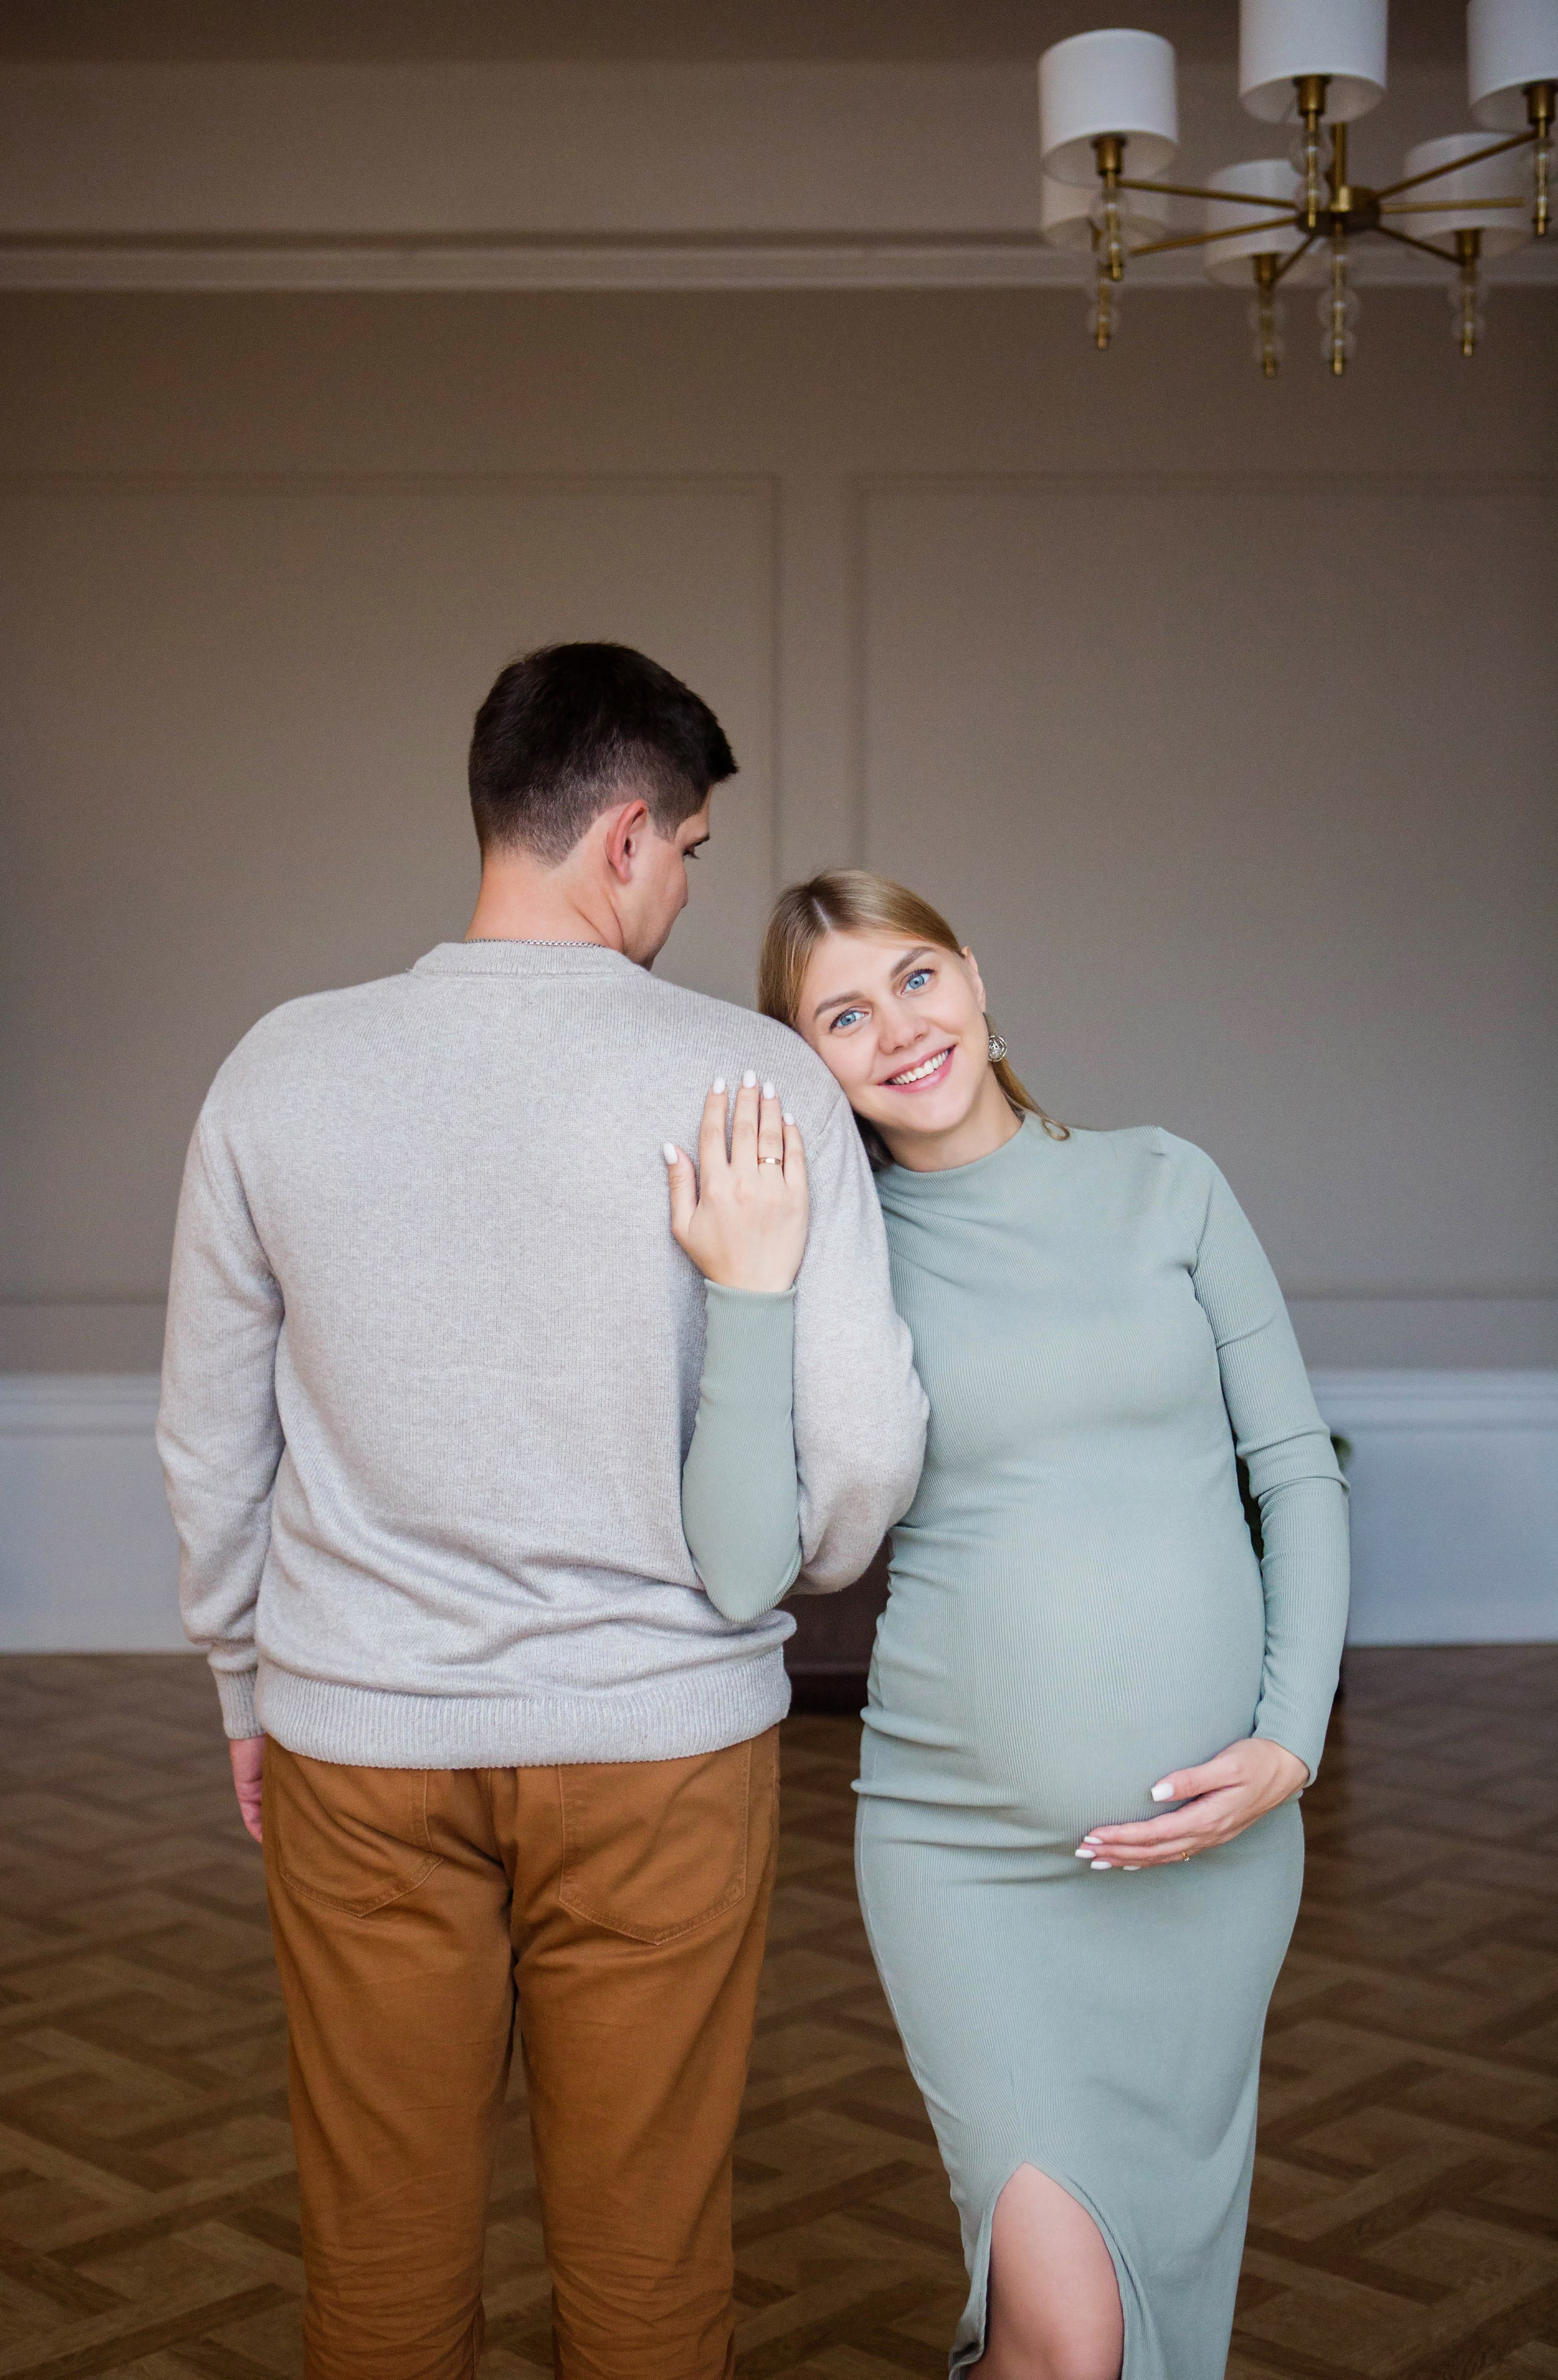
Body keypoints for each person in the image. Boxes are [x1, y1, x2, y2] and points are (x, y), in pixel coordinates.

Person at [157, 651, 926, 2380]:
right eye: (693, 851)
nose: (686, 889)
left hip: (360, 1733)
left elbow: (209, 1441)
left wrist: (242, 1682)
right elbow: (867, 1448)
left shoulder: (279, 1067)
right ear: (629, 836)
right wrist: (780, 1574)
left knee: (379, 2248)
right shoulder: (755, 1079)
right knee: (648, 2254)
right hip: (664, 1742)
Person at [666, 868, 1349, 2380]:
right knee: (1069, 2335)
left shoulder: (1165, 1182)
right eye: (842, 1016)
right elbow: (740, 1567)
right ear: (805, 1061)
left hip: (1219, 1864)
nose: (898, 1029)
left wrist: (1290, 1744)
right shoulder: (840, 1260)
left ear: (973, 976)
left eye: (913, 979)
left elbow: (1293, 1470)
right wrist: (750, 1295)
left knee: (1122, 2321)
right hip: (964, 1856)